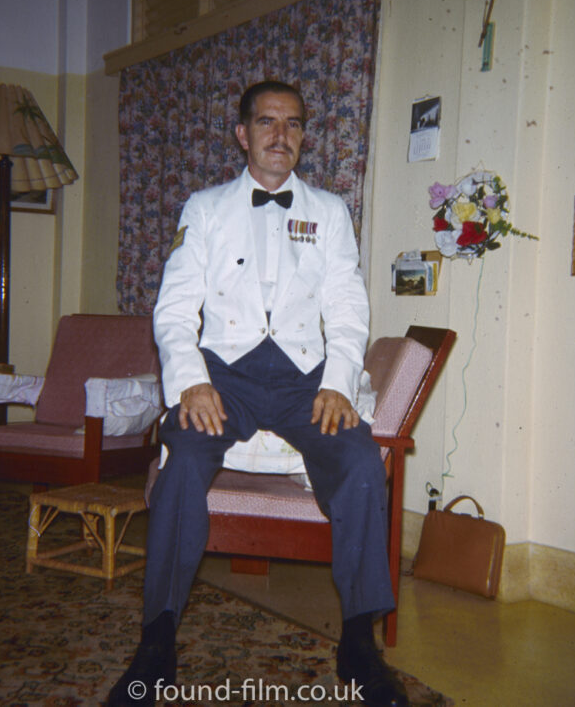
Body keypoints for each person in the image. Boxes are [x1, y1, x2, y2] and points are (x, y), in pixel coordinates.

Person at [107, 81, 409, 707]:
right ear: (242, 134)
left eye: (293, 124)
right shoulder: (206, 207)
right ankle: (156, 642)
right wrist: (189, 379)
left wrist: (337, 382)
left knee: (358, 463)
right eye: (267, 123)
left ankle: (359, 643)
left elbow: (349, 308)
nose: (281, 136)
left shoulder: (329, 212)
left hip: (304, 375)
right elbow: (175, 308)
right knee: (183, 461)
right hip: (224, 377)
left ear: (303, 135)